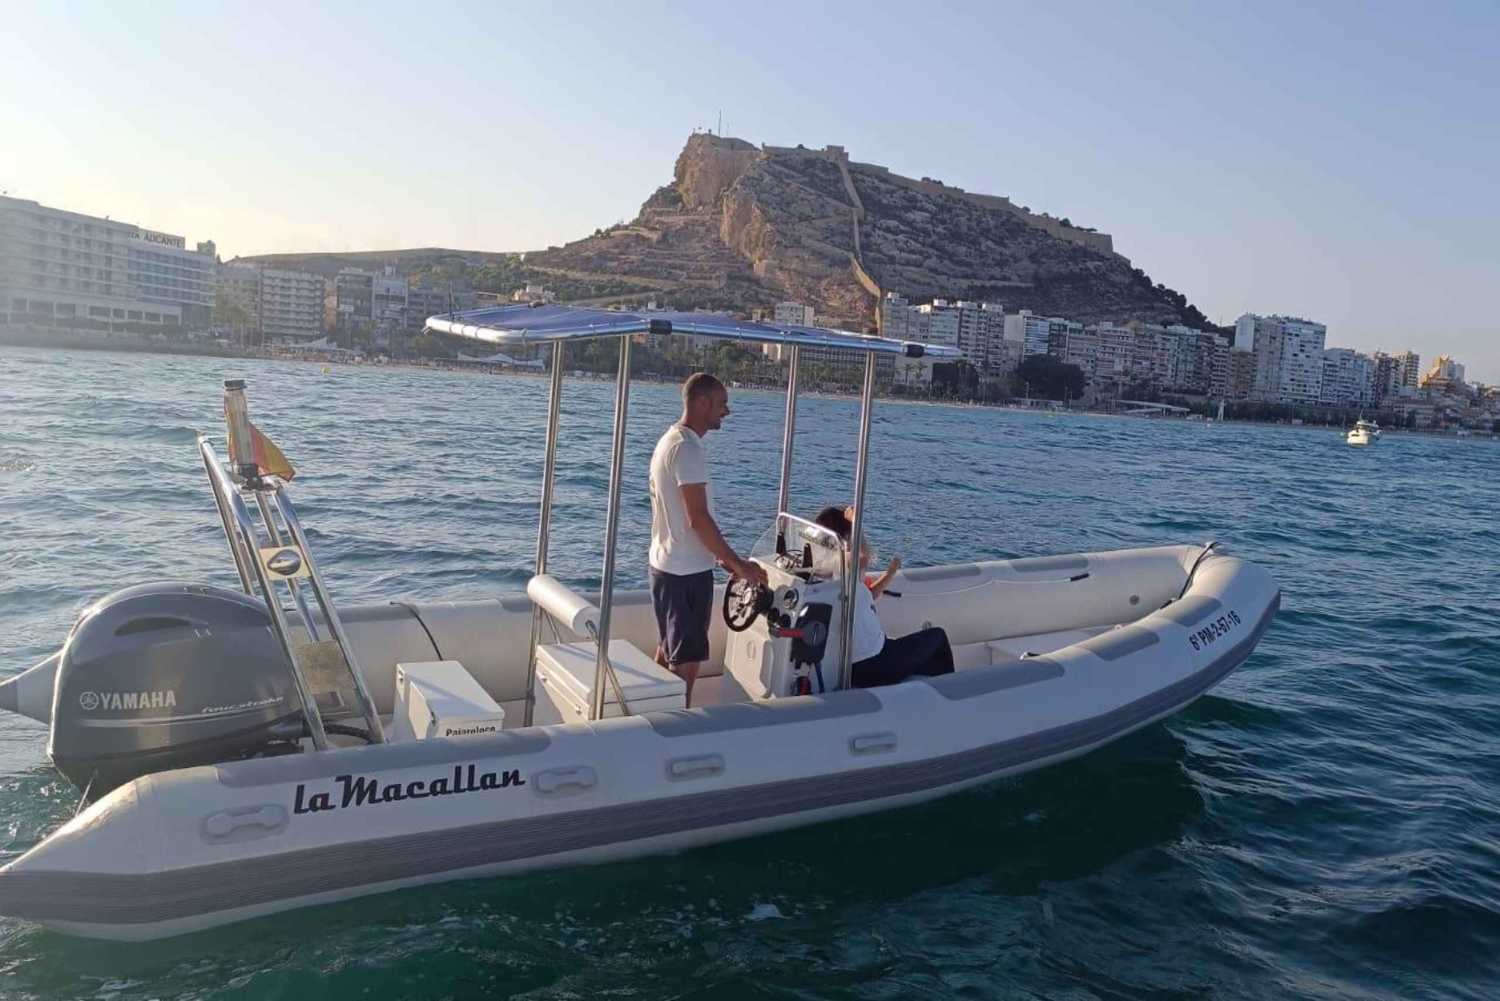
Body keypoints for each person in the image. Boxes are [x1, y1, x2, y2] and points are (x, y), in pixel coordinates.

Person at [649, 373, 768, 706]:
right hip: (684, 574)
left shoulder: (671, 442)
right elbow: (698, 519)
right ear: (702, 403)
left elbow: (684, 520)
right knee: (683, 668)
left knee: (667, 653)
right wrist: (738, 564)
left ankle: (645, 722)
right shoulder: (687, 450)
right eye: (721, 404)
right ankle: (671, 742)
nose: (725, 412)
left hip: (668, 566)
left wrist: (716, 554)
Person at [812, 505, 954, 688]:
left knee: (926, 661)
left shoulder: (823, 568)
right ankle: (952, 694)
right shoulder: (839, 565)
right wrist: (856, 522)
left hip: (855, 665)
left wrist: (890, 574)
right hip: (876, 662)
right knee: (938, 636)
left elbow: (869, 595)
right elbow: (861, 557)